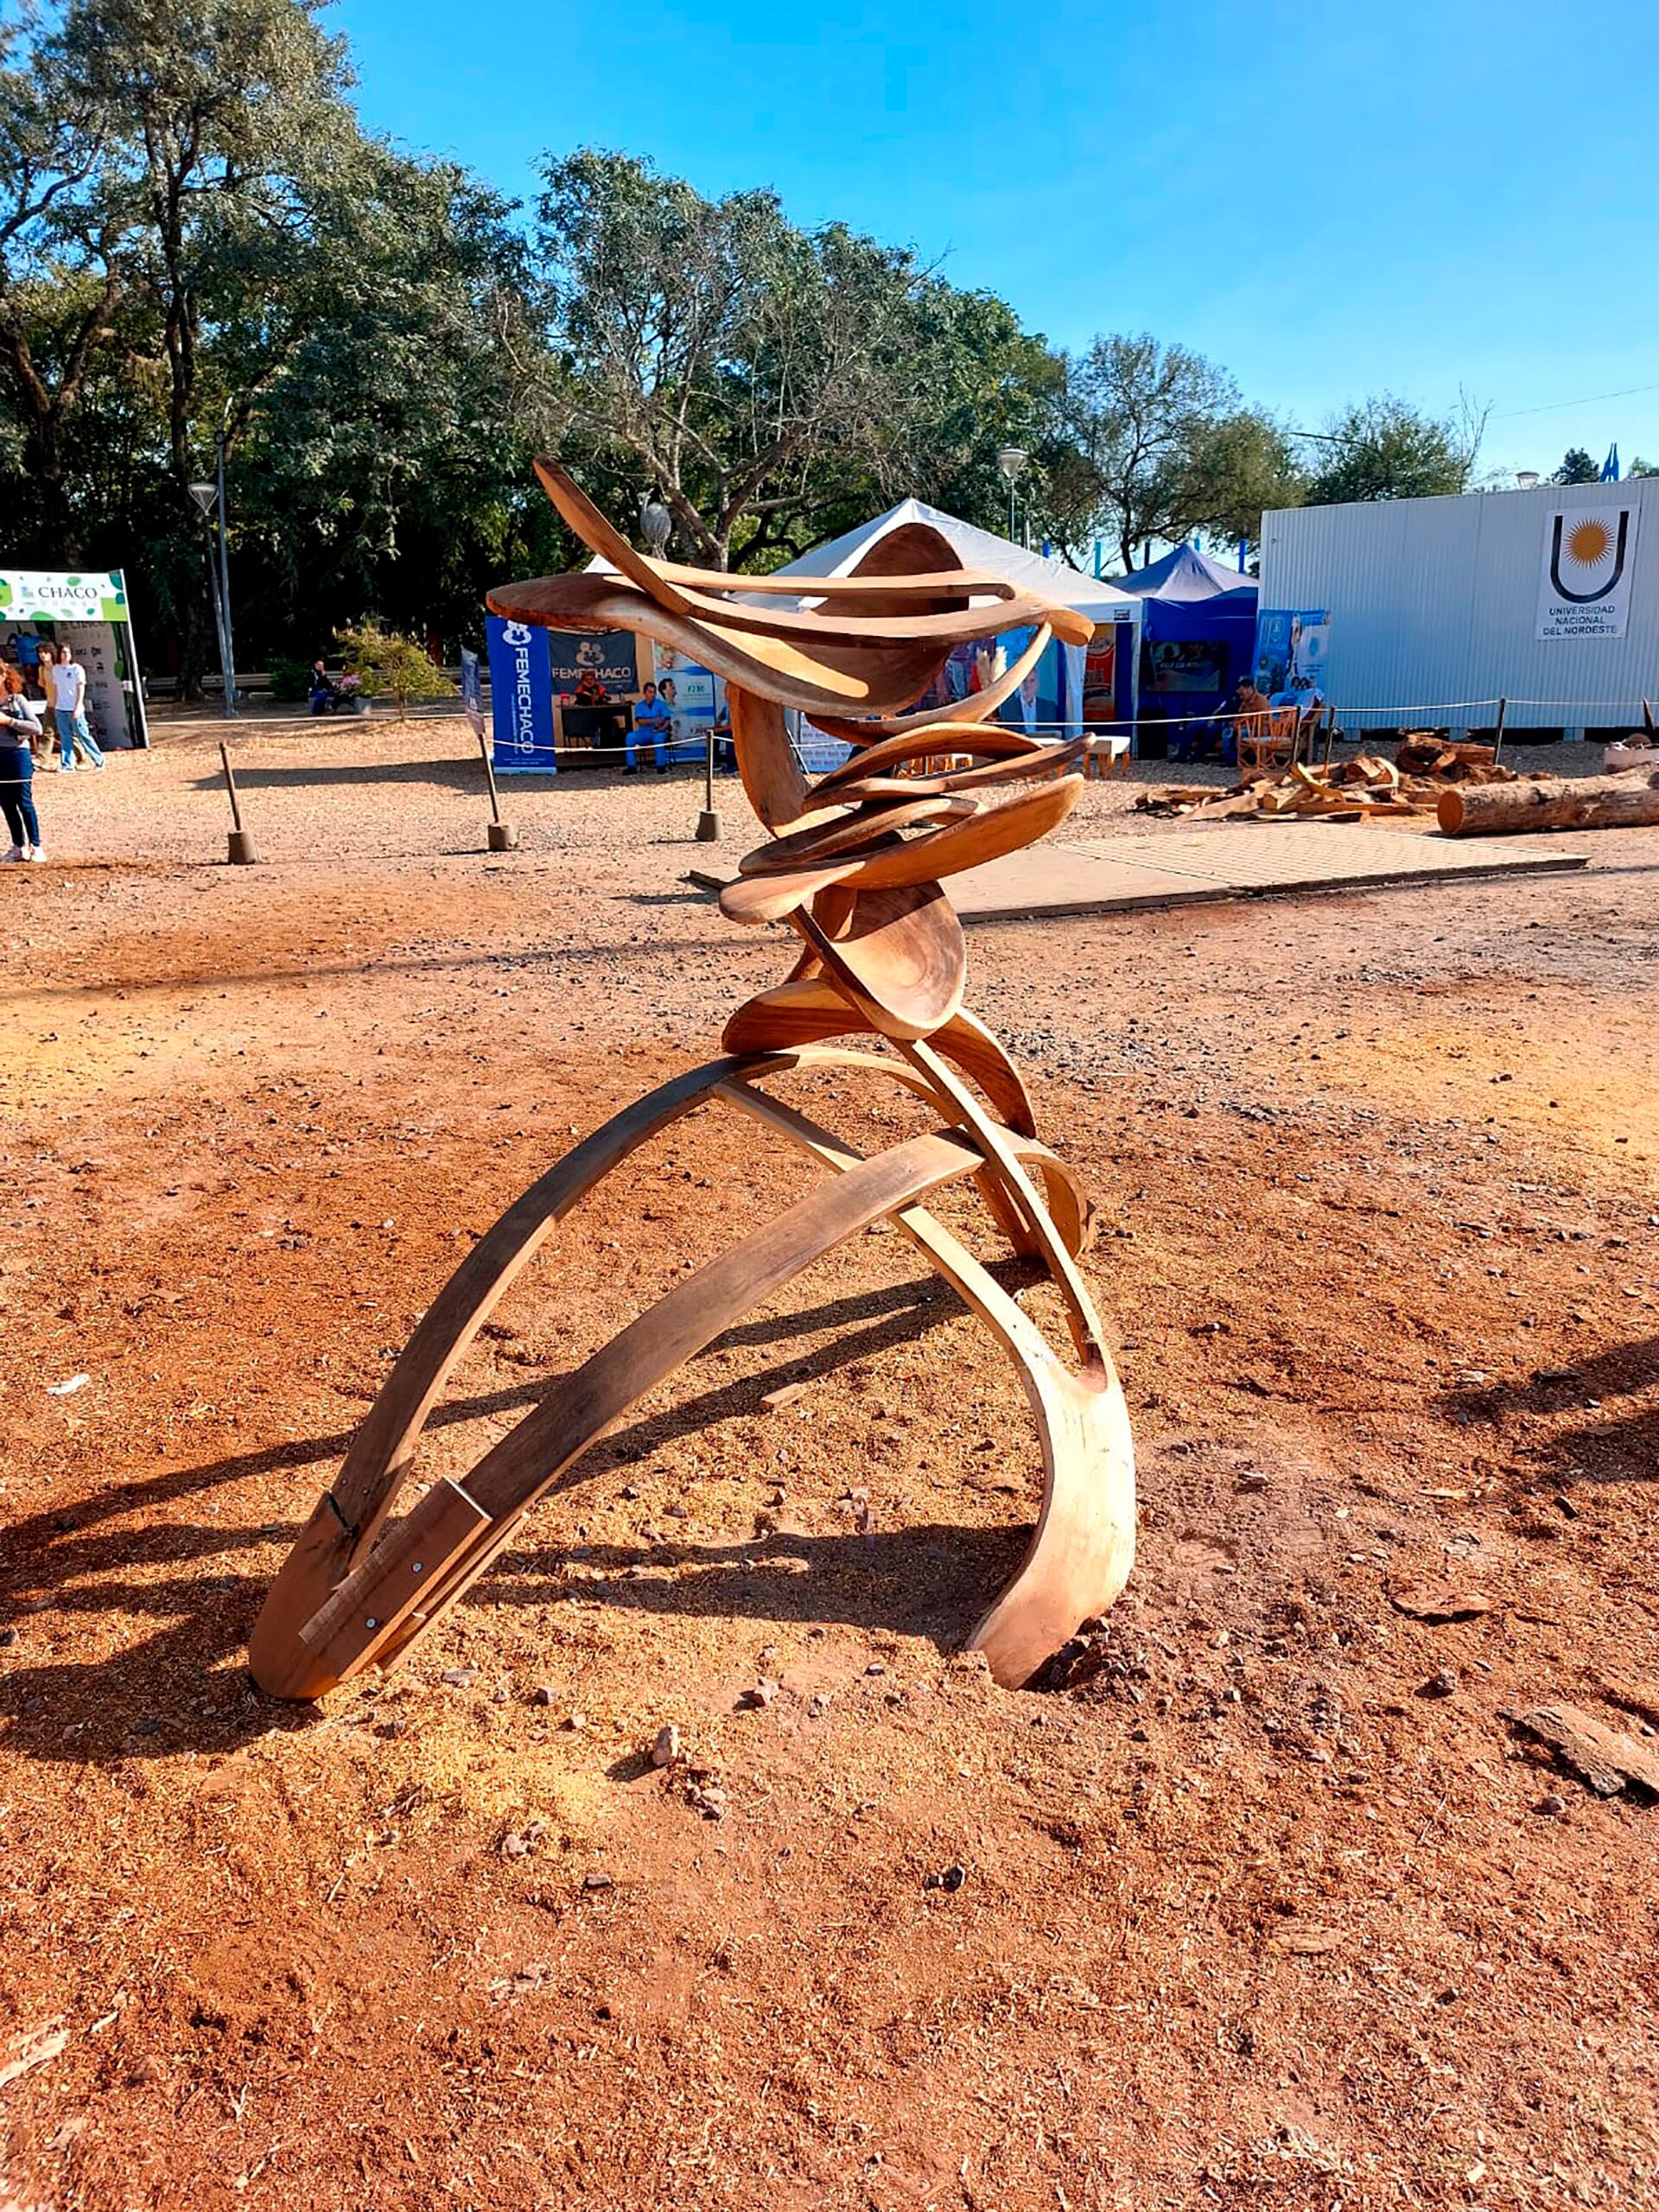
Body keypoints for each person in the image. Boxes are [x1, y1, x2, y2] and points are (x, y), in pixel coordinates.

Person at [0, 671, 44, 861]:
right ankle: (19, 846)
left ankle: (36, 845)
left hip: (18, 754)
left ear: (3, 675)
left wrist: (9, 721)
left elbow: (36, 728)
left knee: (24, 802)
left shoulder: (17, 700)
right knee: (7, 804)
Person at [50, 645, 105, 772]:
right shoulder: (56, 669)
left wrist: (78, 705)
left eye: (68, 652)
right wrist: (56, 705)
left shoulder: (77, 669)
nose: (65, 655)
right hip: (61, 708)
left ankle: (99, 759)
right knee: (65, 737)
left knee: (83, 734)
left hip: (74, 707)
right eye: (63, 652)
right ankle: (67, 765)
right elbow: (57, 688)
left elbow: (81, 687)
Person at [626, 680, 673, 773]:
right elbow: (640, 721)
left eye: (654, 692)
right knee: (630, 737)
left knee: (659, 739)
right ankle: (631, 767)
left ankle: (661, 766)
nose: (653, 695)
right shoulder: (639, 706)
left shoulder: (661, 704)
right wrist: (654, 720)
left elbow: (667, 720)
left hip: (659, 731)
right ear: (644, 693)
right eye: (650, 692)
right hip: (644, 731)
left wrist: (661, 729)